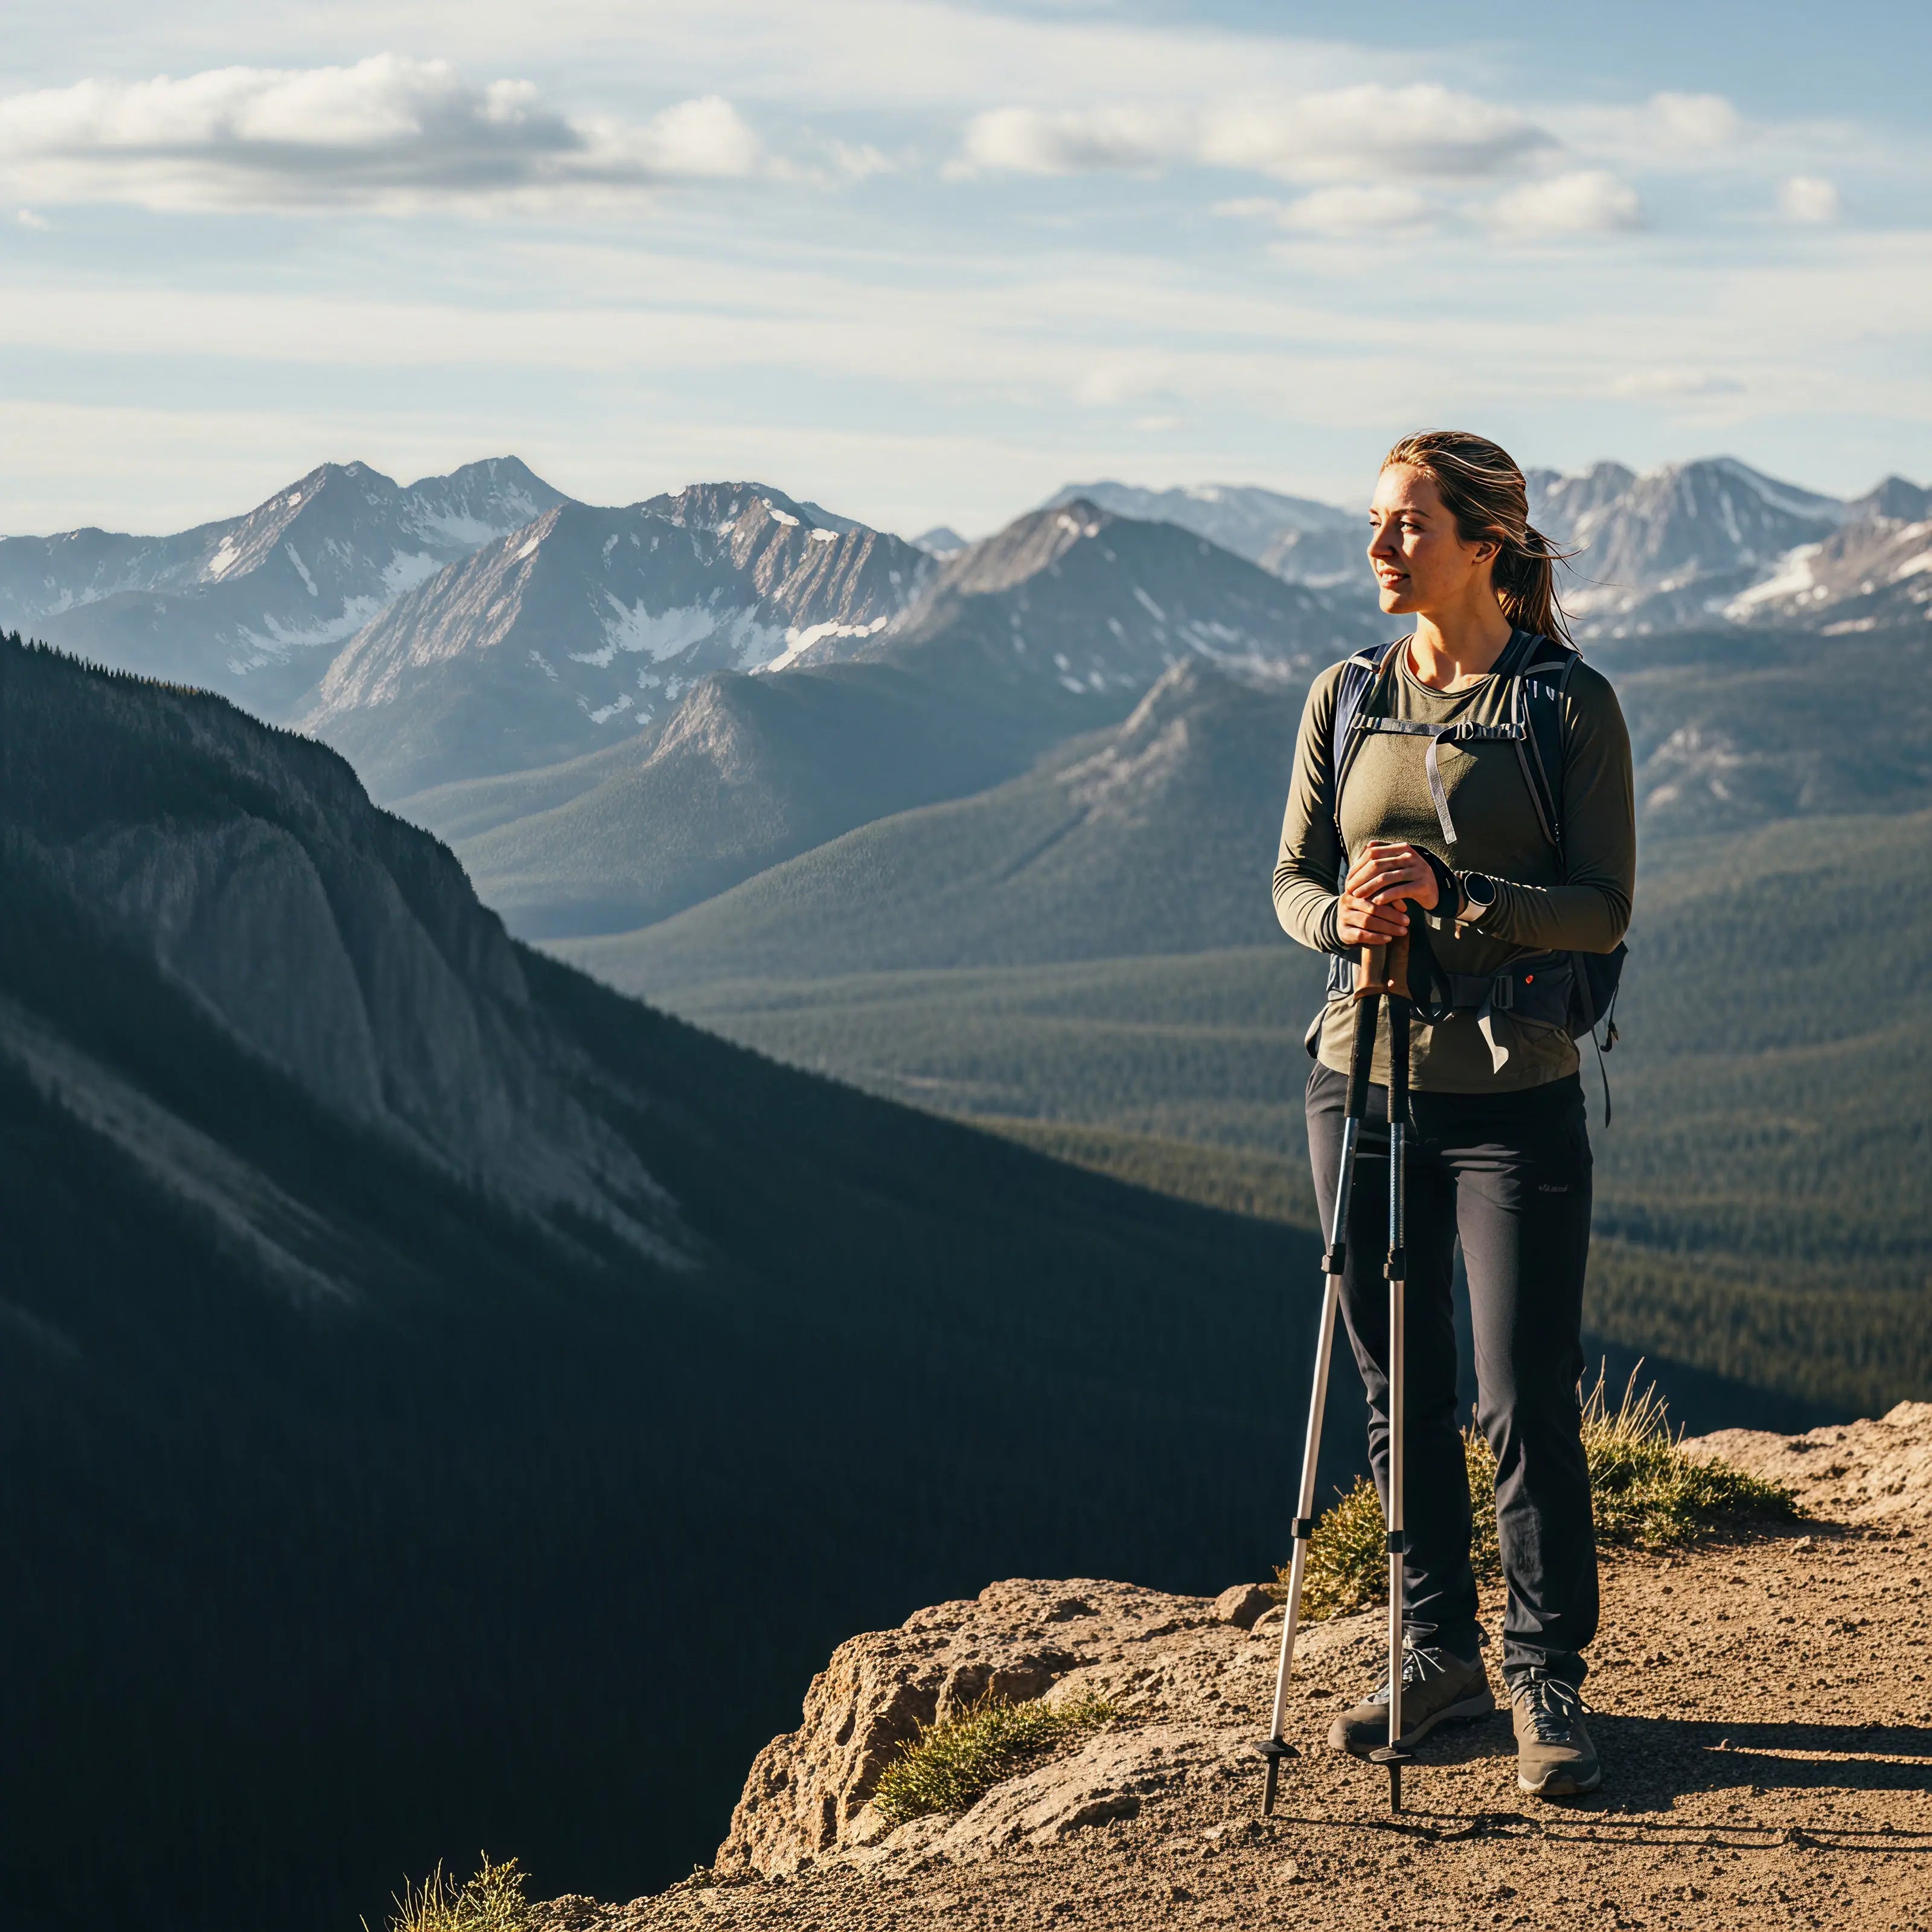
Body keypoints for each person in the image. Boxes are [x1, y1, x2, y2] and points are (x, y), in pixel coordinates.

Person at [1271, 429, 1634, 1799]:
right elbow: (1292, 879)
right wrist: (1344, 909)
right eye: (1376, 521)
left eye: (1406, 525)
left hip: (1510, 1101)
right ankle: (1435, 1657)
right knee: (1393, 1386)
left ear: (1482, 543)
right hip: (1353, 1079)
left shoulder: (1565, 705)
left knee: (1517, 1391)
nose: (1378, 547)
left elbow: (1604, 908)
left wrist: (1460, 900)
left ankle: (1547, 1678)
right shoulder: (1345, 693)